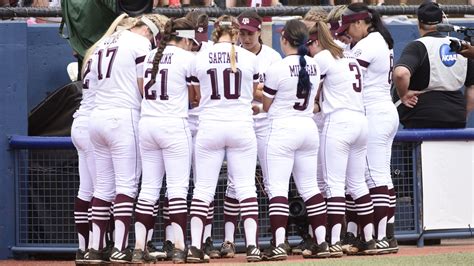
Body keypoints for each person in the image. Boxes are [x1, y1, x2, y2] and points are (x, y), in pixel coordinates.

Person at [87, 13, 165, 264]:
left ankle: (94, 248)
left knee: (102, 186)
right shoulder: (140, 43)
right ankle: (120, 247)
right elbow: (144, 86)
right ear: (150, 32)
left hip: (97, 116)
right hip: (123, 115)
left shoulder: (104, 42)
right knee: (126, 185)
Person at [187, 15, 261, 263]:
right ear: (238, 33)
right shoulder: (250, 58)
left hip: (210, 125)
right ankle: (252, 247)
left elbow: (195, 96)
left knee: (203, 189)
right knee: (246, 187)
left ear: (214, 32)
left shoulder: (199, 57)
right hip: (241, 125)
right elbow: (254, 93)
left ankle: (196, 247)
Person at [218, 10, 282, 259]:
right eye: (241, 32)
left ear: (260, 31)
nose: (245, 37)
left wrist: (258, 98)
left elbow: (276, 91)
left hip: (266, 123)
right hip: (241, 124)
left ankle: (277, 241)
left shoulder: (272, 57)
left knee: (270, 181)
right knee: (235, 184)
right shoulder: (232, 54)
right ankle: (228, 241)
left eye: (250, 32)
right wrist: (257, 95)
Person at [262, 19, 328, 261]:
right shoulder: (314, 64)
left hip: (282, 128)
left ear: (285, 40)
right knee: (310, 188)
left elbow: (267, 104)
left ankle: (279, 244)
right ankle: (322, 242)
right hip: (307, 127)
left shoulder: (277, 67)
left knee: (277, 188)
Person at [132, 17, 197, 264]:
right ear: (184, 38)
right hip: (173, 124)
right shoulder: (186, 58)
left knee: (148, 189)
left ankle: (139, 248)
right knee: (177, 189)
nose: (191, 46)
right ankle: (179, 247)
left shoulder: (148, 55)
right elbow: (196, 96)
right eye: (190, 41)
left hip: (147, 123)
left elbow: (140, 88)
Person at [336, 2, 398, 254]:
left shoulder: (369, 43)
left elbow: (347, 77)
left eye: (350, 26)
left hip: (374, 112)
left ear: (362, 22)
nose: (348, 32)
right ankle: (388, 235)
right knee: (380, 175)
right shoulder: (377, 40)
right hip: (383, 111)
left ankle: (381, 237)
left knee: (374, 176)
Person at [306, 20, 369, 258]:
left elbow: (311, 92)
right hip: (360, 121)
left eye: (310, 44)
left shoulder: (322, 57)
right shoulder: (349, 55)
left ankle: (333, 241)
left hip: (339, 121)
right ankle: (370, 239)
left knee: (333, 184)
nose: (309, 49)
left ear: (316, 41)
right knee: (357, 183)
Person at [393, 1, 474, 129]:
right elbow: (472, 88)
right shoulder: (463, 46)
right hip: (456, 116)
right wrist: (463, 114)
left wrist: (403, 95)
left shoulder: (418, 46)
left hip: (422, 118)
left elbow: (401, 73)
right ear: (442, 20)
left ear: (419, 22)